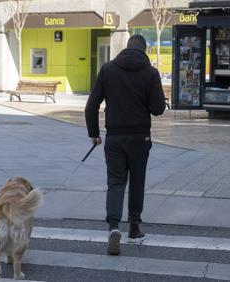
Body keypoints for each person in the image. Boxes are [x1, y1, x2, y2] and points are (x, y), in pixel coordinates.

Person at [85, 35, 166, 256]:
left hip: (114, 137)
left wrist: (94, 133)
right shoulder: (150, 73)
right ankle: (134, 227)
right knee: (137, 181)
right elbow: (158, 108)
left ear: (126, 48)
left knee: (116, 182)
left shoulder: (108, 69)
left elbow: (91, 104)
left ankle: (113, 227)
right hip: (140, 138)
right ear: (144, 50)